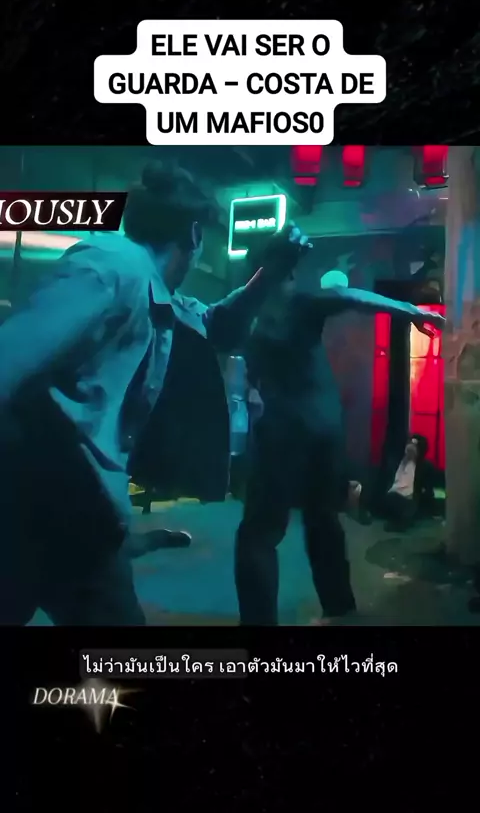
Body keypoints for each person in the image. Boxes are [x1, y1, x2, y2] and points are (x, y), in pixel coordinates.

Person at [0, 162, 309, 626]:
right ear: (193, 235)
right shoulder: (111, 267)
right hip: (49, 499)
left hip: (76, 510)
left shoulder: (153, 289)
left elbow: (217, 327)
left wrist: (269, 273)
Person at [234, 270, 446, 626]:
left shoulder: (257, 317)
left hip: (284, 431)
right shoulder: (299, 303)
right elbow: (353, 296)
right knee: (322, 519)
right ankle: (339, 607)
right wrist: (412, 311)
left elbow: (249, 378)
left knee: (260, 533)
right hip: (323, 429)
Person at [380, 434, 436, 532]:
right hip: (392, 494)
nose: (410, 448)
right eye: (409, 444)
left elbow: (428, 490)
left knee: (407, 508)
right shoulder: (396, 461)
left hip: (409, 499)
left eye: (414, 447)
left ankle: (401, 521)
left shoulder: (426, 467)